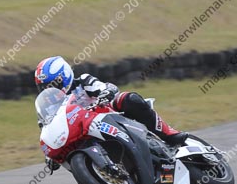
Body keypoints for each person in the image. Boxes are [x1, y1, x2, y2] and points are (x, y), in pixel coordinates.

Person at [35, 56, 189, 169]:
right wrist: (50, 155)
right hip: (79, 133)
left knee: (128, 99)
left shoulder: (82, 81)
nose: (50, 89)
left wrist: (106, 92)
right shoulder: (48, 106)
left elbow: (104, 87)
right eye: (45, 86)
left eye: (54, 83)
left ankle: (169, 134)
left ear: (66, 75)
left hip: (107, 116)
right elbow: (48, 129)